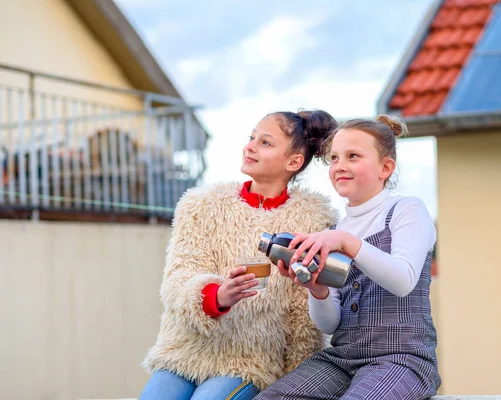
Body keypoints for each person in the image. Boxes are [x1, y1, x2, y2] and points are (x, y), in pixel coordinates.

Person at [140, 110, 339, 400]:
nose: (250, 146)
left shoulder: (313, 221)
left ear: (293, 161)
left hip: (251, 362)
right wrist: (218, 296)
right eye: (251, 138)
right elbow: (177, 281)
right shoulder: (200, 206)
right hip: (184, 350)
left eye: (265, 142)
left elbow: (302, 318)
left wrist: (294, 380)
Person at [257, 115, 441, 400]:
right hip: (342, 362)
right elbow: (330, 325)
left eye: (353, 156)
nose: (340, 166)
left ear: (385, 167)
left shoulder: (406, 211)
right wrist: (316, 290)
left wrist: (347, 243)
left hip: (401, 361)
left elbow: (403, 279)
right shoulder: (336, 230)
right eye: (334, 158)